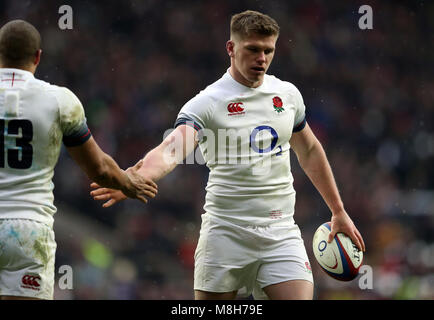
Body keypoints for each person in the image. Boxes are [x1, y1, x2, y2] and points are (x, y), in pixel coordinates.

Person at [91, 10, 365, 300]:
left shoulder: (287, 95)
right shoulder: (207, 103)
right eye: (253, 50)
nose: (262, 58)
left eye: (268, 50)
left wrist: (337, 210)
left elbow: (309, 150)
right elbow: (171, 150)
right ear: (231, 48)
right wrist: (134, 177)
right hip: (225, 233)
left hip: (281, 230)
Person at [0, 20, 158, 300]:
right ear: (38, 56)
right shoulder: (59, 100)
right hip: (27, 229)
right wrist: (128, 183)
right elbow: (99, 169)